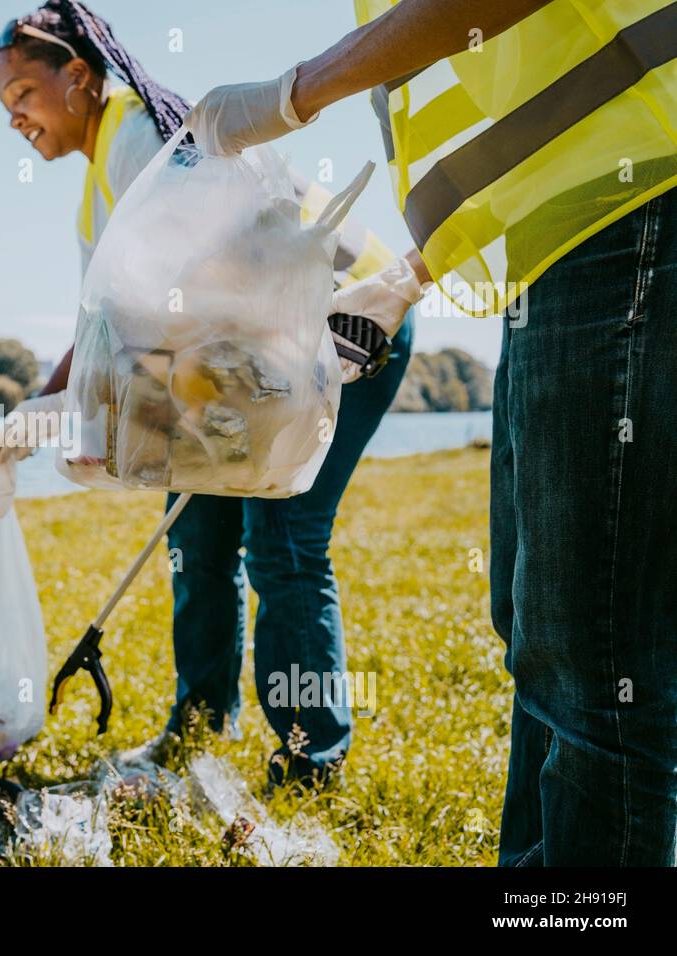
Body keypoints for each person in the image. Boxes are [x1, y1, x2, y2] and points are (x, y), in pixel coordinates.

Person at [188, 0, 677, 866]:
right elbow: (526, 118)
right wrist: (409, 279)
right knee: (537, 631)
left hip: (632, 212)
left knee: (596, 658)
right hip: (560, 247)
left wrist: (297, 92)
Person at [0, 0, 419, 785]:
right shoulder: (101, 171)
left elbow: (204, 290)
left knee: (284, 542)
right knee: (196, 544)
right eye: (5, 107)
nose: (15, 118)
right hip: (242, 353)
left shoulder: (142, 141)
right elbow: (107, 326)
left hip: (341, 323)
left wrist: (88, 413)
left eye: (23, 96)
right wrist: (48, 409)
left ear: (78, 77)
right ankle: (197, 724)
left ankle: (308, 758)